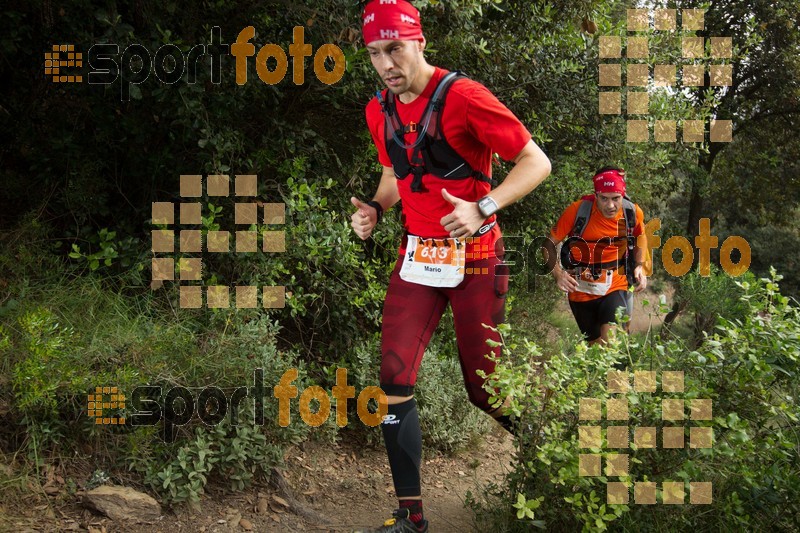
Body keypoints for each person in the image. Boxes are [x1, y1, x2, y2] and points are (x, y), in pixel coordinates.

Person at [349, 2, 551, 531]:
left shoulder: (465, 97)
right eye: (374, 53)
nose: (386, 63)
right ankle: (411, 517)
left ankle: (550, 446)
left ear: (419, 42)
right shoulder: (379, 110)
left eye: (394, 48)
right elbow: (395, 174)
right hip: (418, 257)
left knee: (484, 389)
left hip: (478, 258)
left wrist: (484, 206)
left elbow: (537, 162)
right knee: (393, 376)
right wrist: (375, 208)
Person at [548, 166, 648, 345]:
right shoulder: (577, 211)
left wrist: (640, 265)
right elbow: (548, 244)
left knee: (611, 342)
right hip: (580, 288)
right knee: (595, 346)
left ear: (622, 195)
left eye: (616, 198)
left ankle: (619, 372)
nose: (610, 205)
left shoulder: (632, 212)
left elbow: (641, 235)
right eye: (604, 198)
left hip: (615, 283)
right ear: (596, 195)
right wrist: (558, 274)